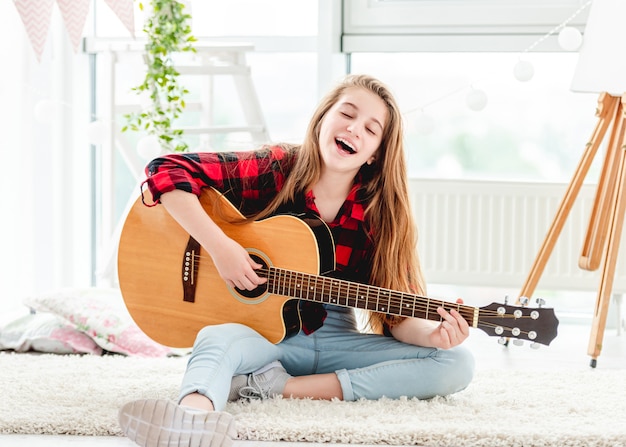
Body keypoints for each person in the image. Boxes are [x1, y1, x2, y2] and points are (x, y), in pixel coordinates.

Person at [118, 74, 475, 447]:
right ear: (322, 119)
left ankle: (276, 387)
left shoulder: (384, 215)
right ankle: (191, 418)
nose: (354, 129)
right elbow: (166, 170)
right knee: (216, 338)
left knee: (455, 363)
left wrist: (433, 334)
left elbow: (397, 317)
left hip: (337, 338)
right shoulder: (277, 167)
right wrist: (222, 249)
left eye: (371, 129)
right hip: (266, 336)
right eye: (347, 114)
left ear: (376, 153)